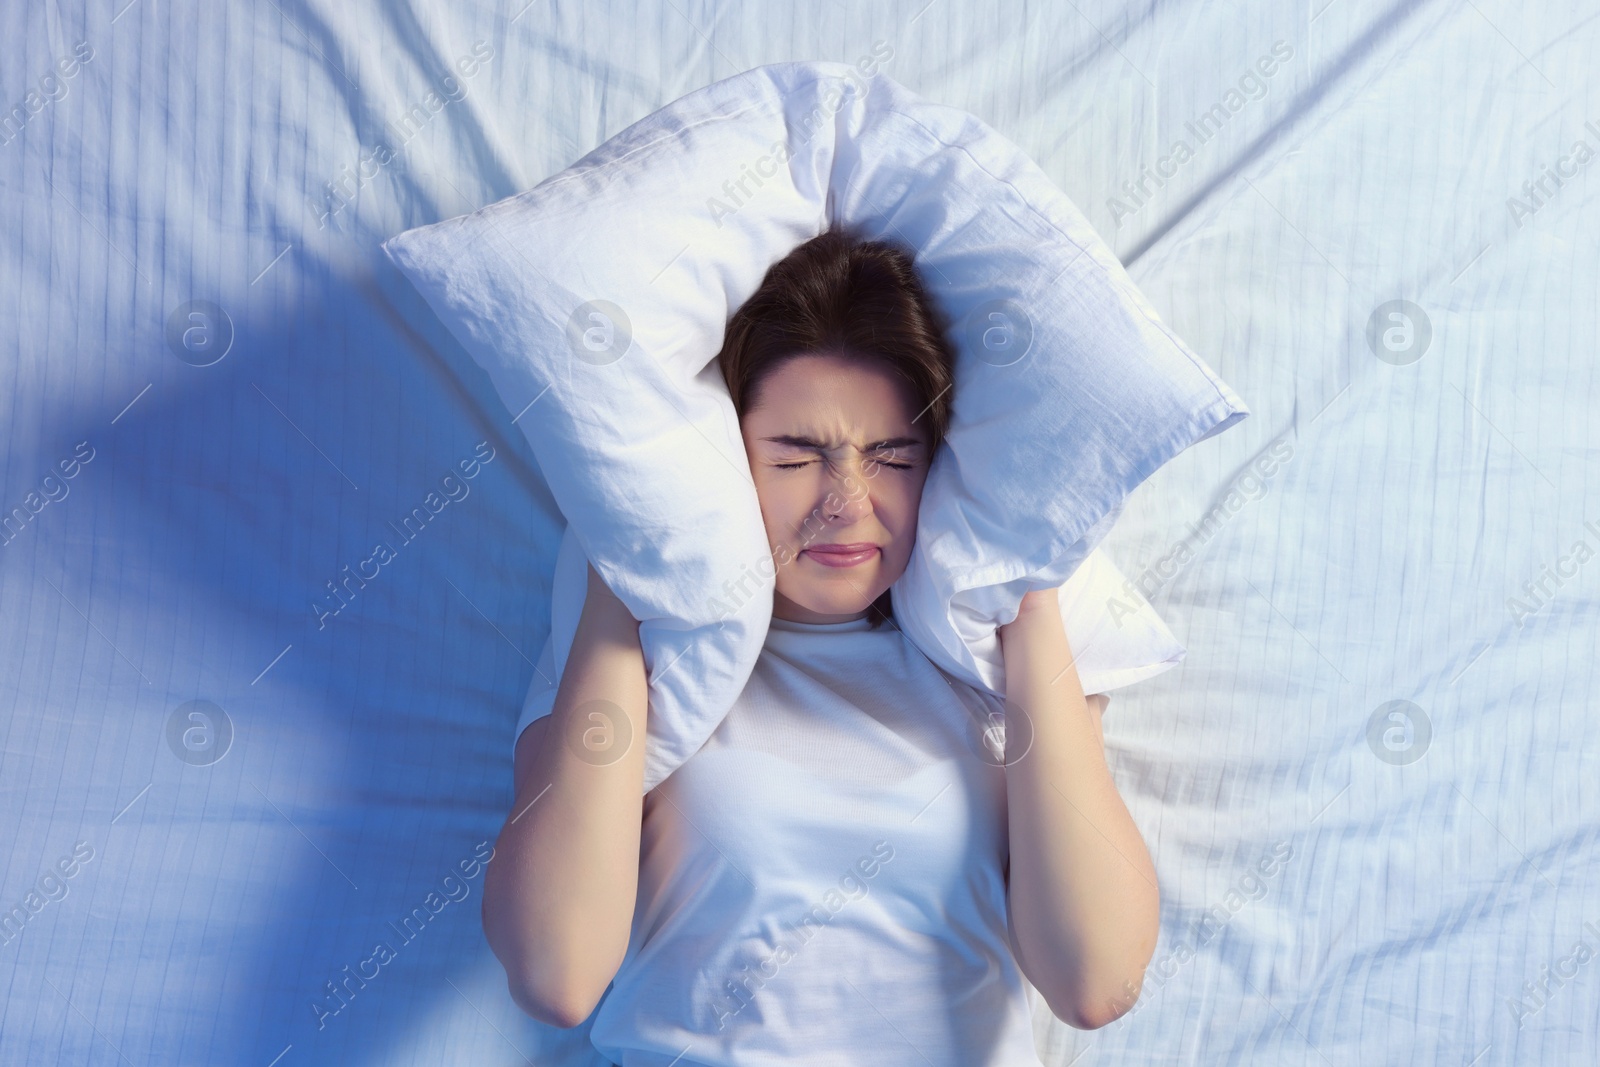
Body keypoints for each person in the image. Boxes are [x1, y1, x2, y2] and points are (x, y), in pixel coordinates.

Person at [481, 226, 1160, 1064]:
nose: (846, 502)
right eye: (797, 456)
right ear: (729, 462)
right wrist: (627, 546)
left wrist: (1028, 567)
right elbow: (556, 975)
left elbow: (1097, 982)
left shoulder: (998, 676)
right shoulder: (637, 673)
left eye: (890, 457)